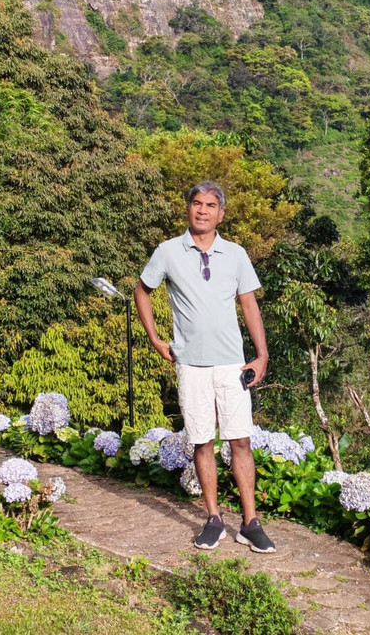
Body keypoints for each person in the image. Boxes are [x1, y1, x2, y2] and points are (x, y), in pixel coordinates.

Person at [133, 180, 275, 553]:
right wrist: (155, 338)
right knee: (202, 441)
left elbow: (249, 305)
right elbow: (142, 291)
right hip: (191, 364)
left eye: (210, 205)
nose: (202, 210)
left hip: (231, 363)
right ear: (188, 208)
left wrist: (261, 355)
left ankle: (250, 522)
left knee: (240, 440)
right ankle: (213, 518)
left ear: (220, 213)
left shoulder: (236, 254)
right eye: (196, 203)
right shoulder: (167, 251)